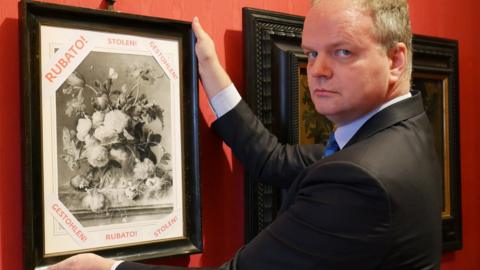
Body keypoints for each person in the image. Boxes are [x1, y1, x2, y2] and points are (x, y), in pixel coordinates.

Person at [48, 0, 442, 269]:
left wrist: (107, 268)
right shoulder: (400, 131)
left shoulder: (362, 176)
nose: (318, 70)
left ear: (395, 60)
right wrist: (210, 69)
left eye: (342, 52)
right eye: (312, 53)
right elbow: (274, 160)